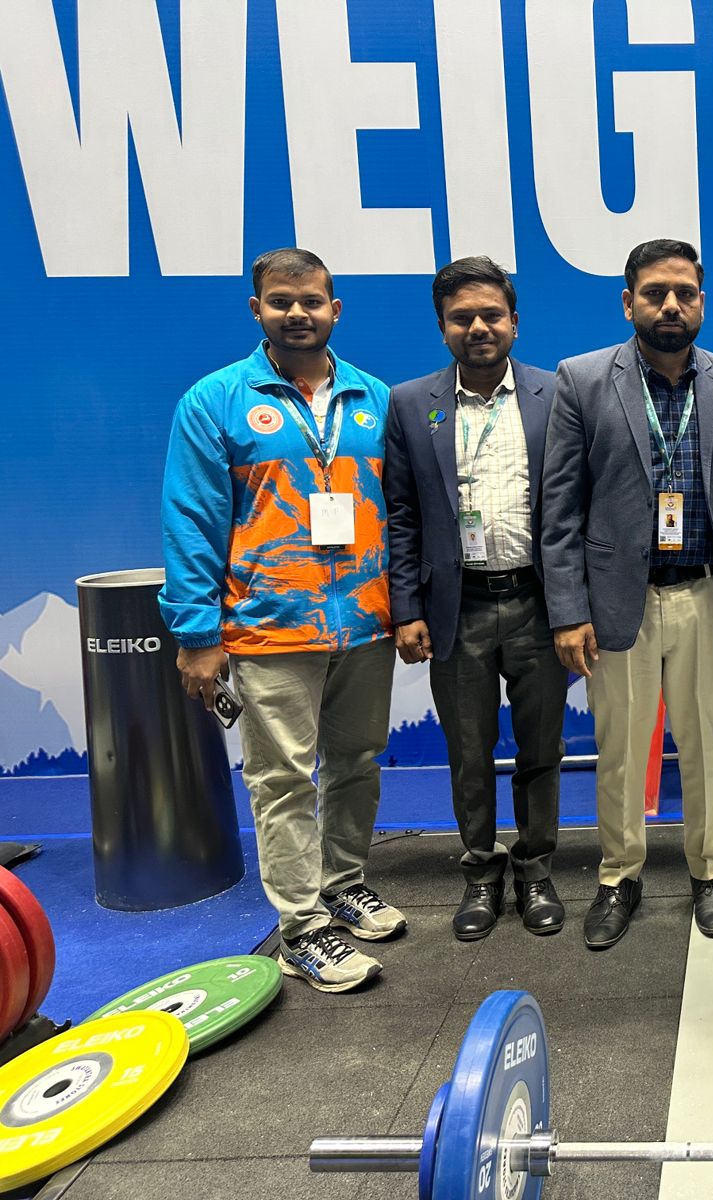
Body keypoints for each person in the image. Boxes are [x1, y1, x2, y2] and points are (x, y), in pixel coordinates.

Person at [160, 248, 403, 993]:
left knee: (357, 764)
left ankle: (344, 881)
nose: (297, 313)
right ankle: (301, 927)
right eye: (280, 301)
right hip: (270, 625)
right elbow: (192, 521)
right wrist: (197, 635)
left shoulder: (374, 397)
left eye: (311, 301)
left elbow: (402, 512)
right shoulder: (215, 401)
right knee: (284, 779)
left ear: (335, 309)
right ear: (256, 309)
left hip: (364, 622)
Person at [541, 239, 713, 949]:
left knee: (706, 744)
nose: (671, 305)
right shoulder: (582, 379)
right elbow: (560, 507)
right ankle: (619, 875)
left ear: (702, 302)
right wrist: (568, 611)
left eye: (684, 293)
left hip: (708, 594)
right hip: (618, 601)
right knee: (622, 750)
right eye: (655, 293)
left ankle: (710, 869)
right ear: (627, 302)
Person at [384, 257, 569, 942]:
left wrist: (574, 607)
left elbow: (573, 507)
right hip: (454, 607)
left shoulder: (556, 395)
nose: (479, 327)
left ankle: (536, 867)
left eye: (492, 314)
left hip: (537, 602)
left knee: (541, 748)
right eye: (462, 317)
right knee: (469, 750)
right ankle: (481, 873)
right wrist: (407, 608)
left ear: (515, 322)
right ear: (443, 328)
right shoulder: (412, 404)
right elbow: (401, 514)